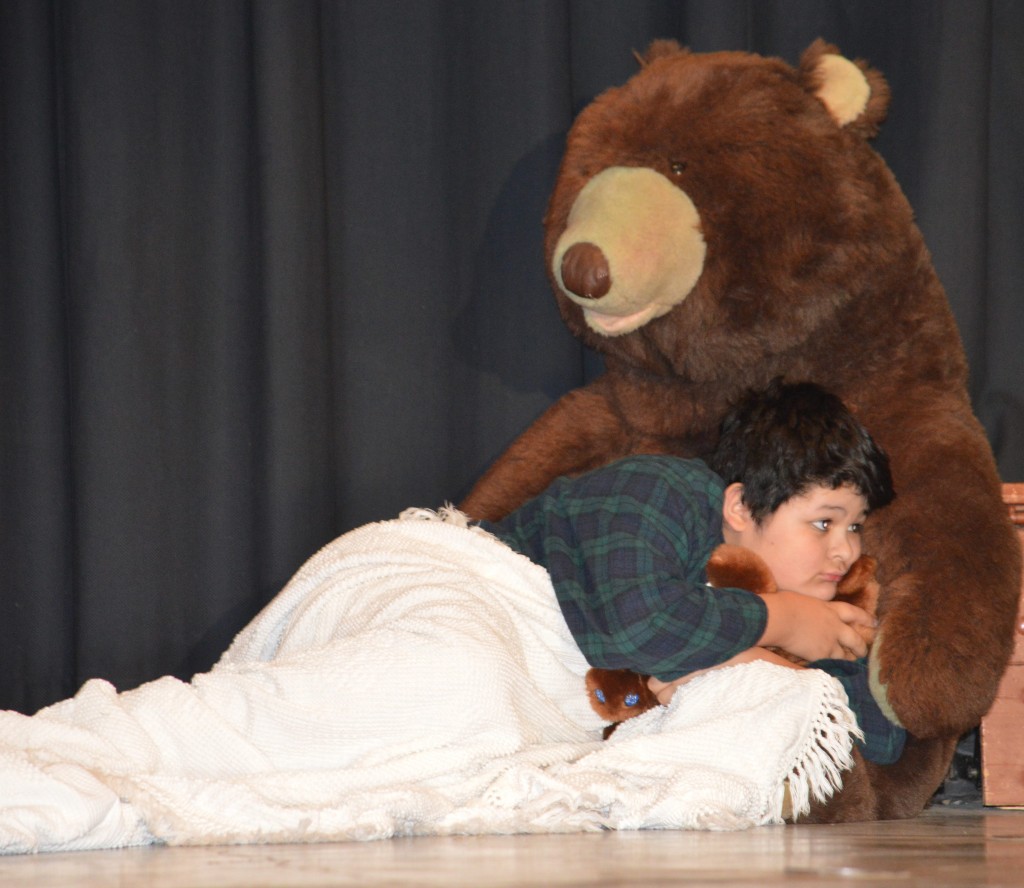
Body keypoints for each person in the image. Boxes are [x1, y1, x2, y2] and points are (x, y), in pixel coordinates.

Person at [480, 378, 905, 764]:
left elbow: (881, 738)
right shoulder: (658, 490)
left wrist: (745, 664)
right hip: (472, 600)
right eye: (823, 523)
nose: (846, 550)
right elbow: (638, 627)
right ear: (740, 507)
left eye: (855, 526)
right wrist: (783, 621)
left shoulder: (826, 602)